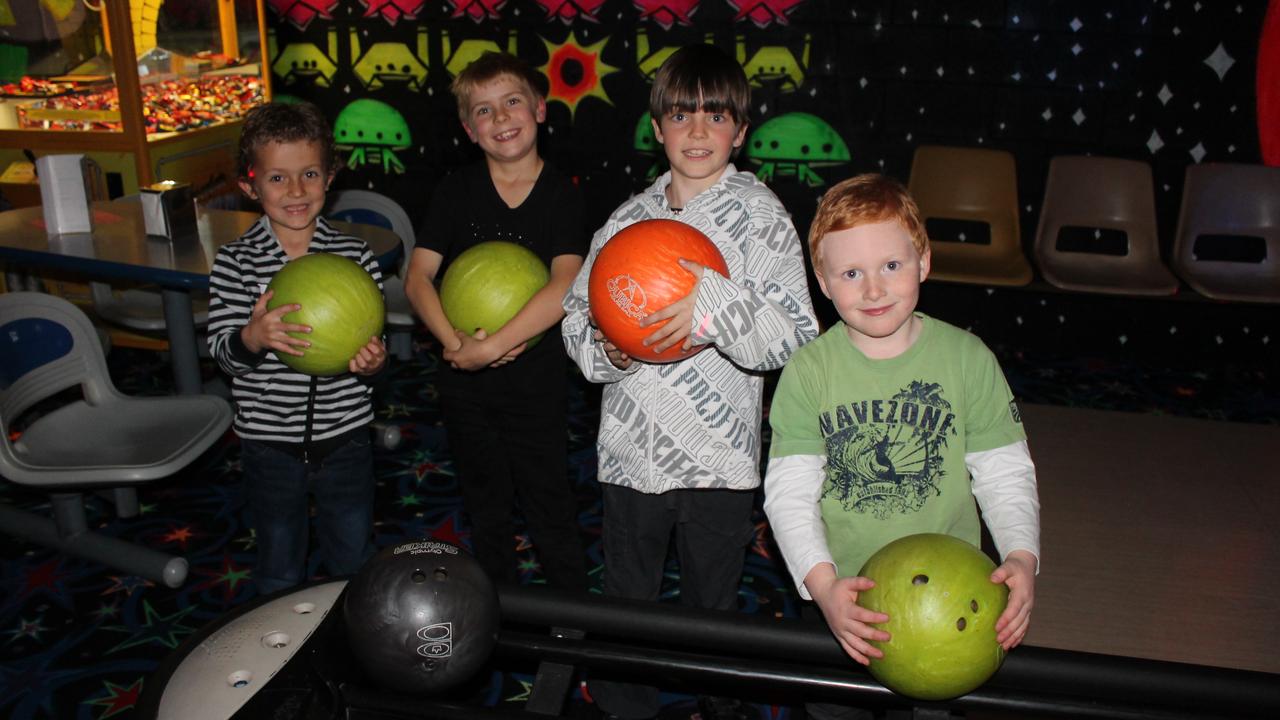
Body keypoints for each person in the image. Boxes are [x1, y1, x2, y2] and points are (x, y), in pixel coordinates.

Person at [562, 44, 818, 720]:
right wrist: (613, 354)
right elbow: (578, 324)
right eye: (681, 115)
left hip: (720, 459)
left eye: (716, 116)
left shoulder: (762, 220)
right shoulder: (624, 221)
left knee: (713, 602)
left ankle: (721, 699)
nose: (698, 131)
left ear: (741, 130)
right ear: (656, 128)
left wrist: (714, 304)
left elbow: (795, 333)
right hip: (629, 456)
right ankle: (624, 705)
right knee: (627, 599)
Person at [762, 174, 1040, 719]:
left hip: (949, 604)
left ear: (924, 262)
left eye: (891, 265)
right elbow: (789, 494)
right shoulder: (808, 371)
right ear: (822, 281)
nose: (873, 289)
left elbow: (1006, 474)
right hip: (844, 601)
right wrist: (823, 588)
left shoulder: (968, 359)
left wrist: (1021, 558)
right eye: (850, 273)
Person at [404, 52, 588, 592]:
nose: (502, 118)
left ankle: (573, 628)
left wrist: (498, 344)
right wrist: (455, 343)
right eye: (484, 110)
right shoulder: (454, 191)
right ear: (468, 129)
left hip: (536, 386)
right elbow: (419, 277)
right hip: (464, 385)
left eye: (512, 102)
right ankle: (497, 614)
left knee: (550, 504)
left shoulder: (563, 195)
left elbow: (566, 284)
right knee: (486, 508)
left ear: (540, 109)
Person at [207, 101, 387, 596]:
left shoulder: (354, 256)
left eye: (308, 173)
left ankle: (351, 641)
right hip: (270, 443)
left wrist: (374, 363)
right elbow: (222, 356)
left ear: (330, 176)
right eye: (277, 178)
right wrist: (252, 337)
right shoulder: (236, 264)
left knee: (352, 555)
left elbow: (376, 351)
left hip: (346, 435)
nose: (296, 191)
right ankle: (280, 653)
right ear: (250, 185)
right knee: (279, 561)